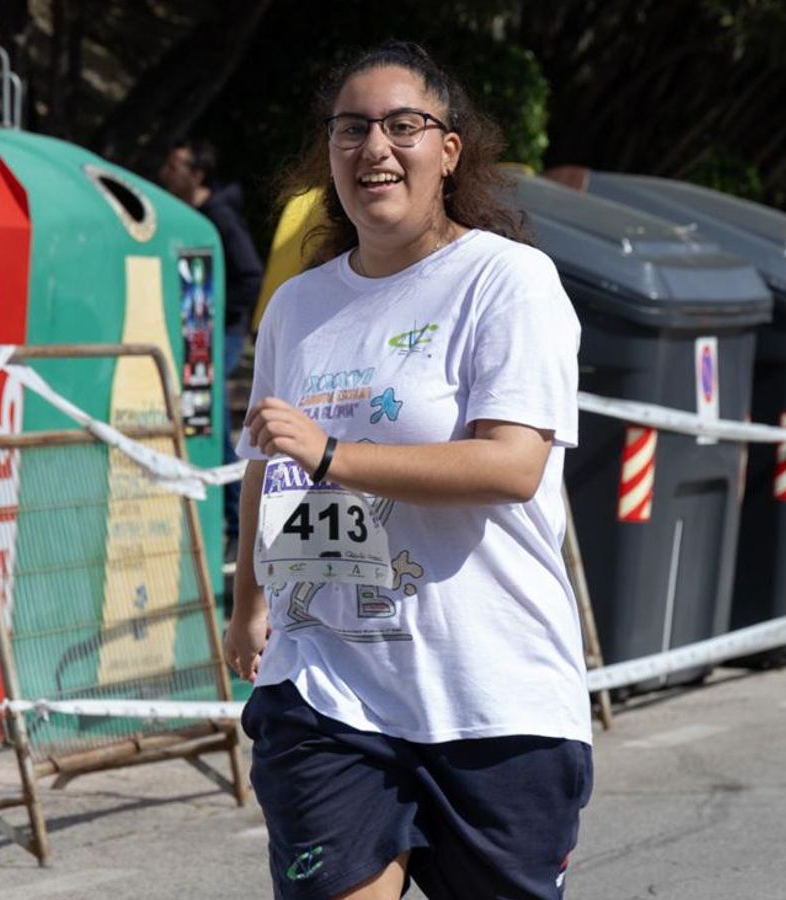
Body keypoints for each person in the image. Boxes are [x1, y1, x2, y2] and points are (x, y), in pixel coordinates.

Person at [227, 40, 591, 899]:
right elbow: (266, 465)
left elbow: (512, 466)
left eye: (403, 126)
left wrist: (337, 453)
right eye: (351, 129)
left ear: (449, 151)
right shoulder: (300, 305)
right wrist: (247, 603)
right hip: (327, 685)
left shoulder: (507, 283)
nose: (374, 150)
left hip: (490, 695)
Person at [159, 138, 267, 557]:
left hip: (218, 332)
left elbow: (250, 275)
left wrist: (222, 317)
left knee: (212, 417)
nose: (166, 173)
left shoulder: (217, 218)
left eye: (175, 165)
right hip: (194, 332)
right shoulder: (186, 216)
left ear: (196, 174)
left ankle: (238, 522)